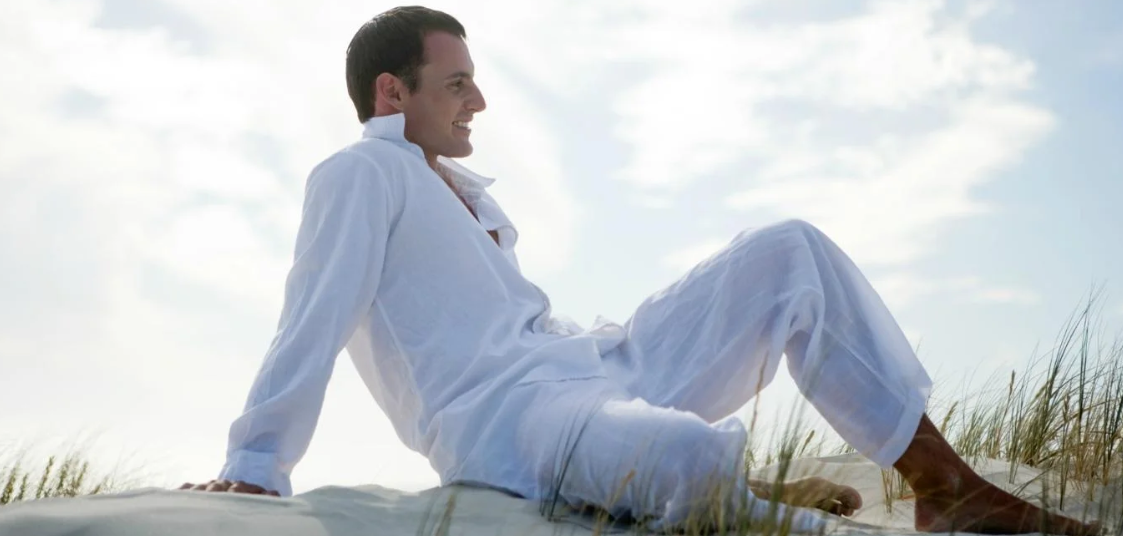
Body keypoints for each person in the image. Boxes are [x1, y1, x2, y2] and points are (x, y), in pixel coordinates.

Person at [179, 6, 1100, 535]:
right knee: (686, 455)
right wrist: (254, 463)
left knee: (789, 250)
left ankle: (945, 487)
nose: (479, 100)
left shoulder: (458, 190)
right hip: (512, 421)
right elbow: (313, 311)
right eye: (456, 82)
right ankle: (756, 502)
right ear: (392, 92)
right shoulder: (360, 173)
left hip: (598, 363)